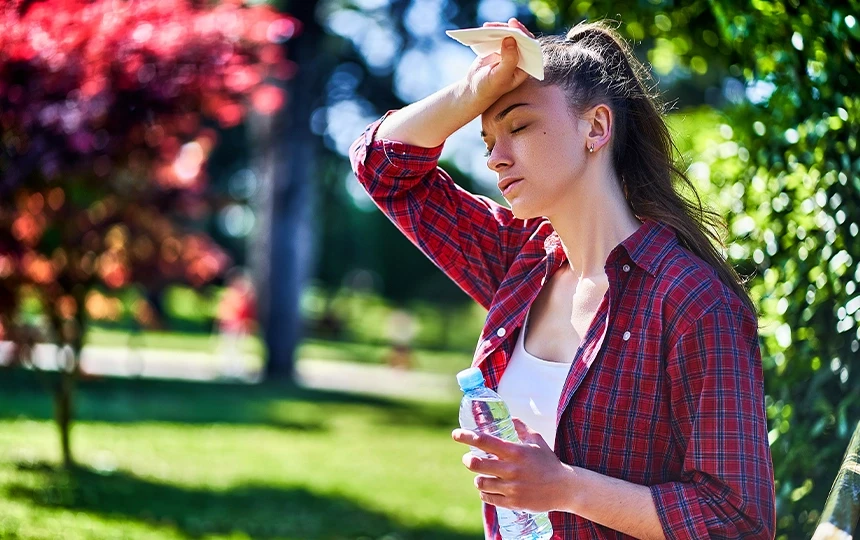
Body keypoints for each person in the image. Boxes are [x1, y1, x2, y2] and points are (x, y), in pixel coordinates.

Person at [349, 18, 775, 540]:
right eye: (487, 138)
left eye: (520, 126)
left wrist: (566, 488)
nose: (495, 157)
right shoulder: (521, 263)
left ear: (596, 127)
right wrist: (473, 90)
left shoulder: (691, 301)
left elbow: (737, 520)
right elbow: (383, 169)